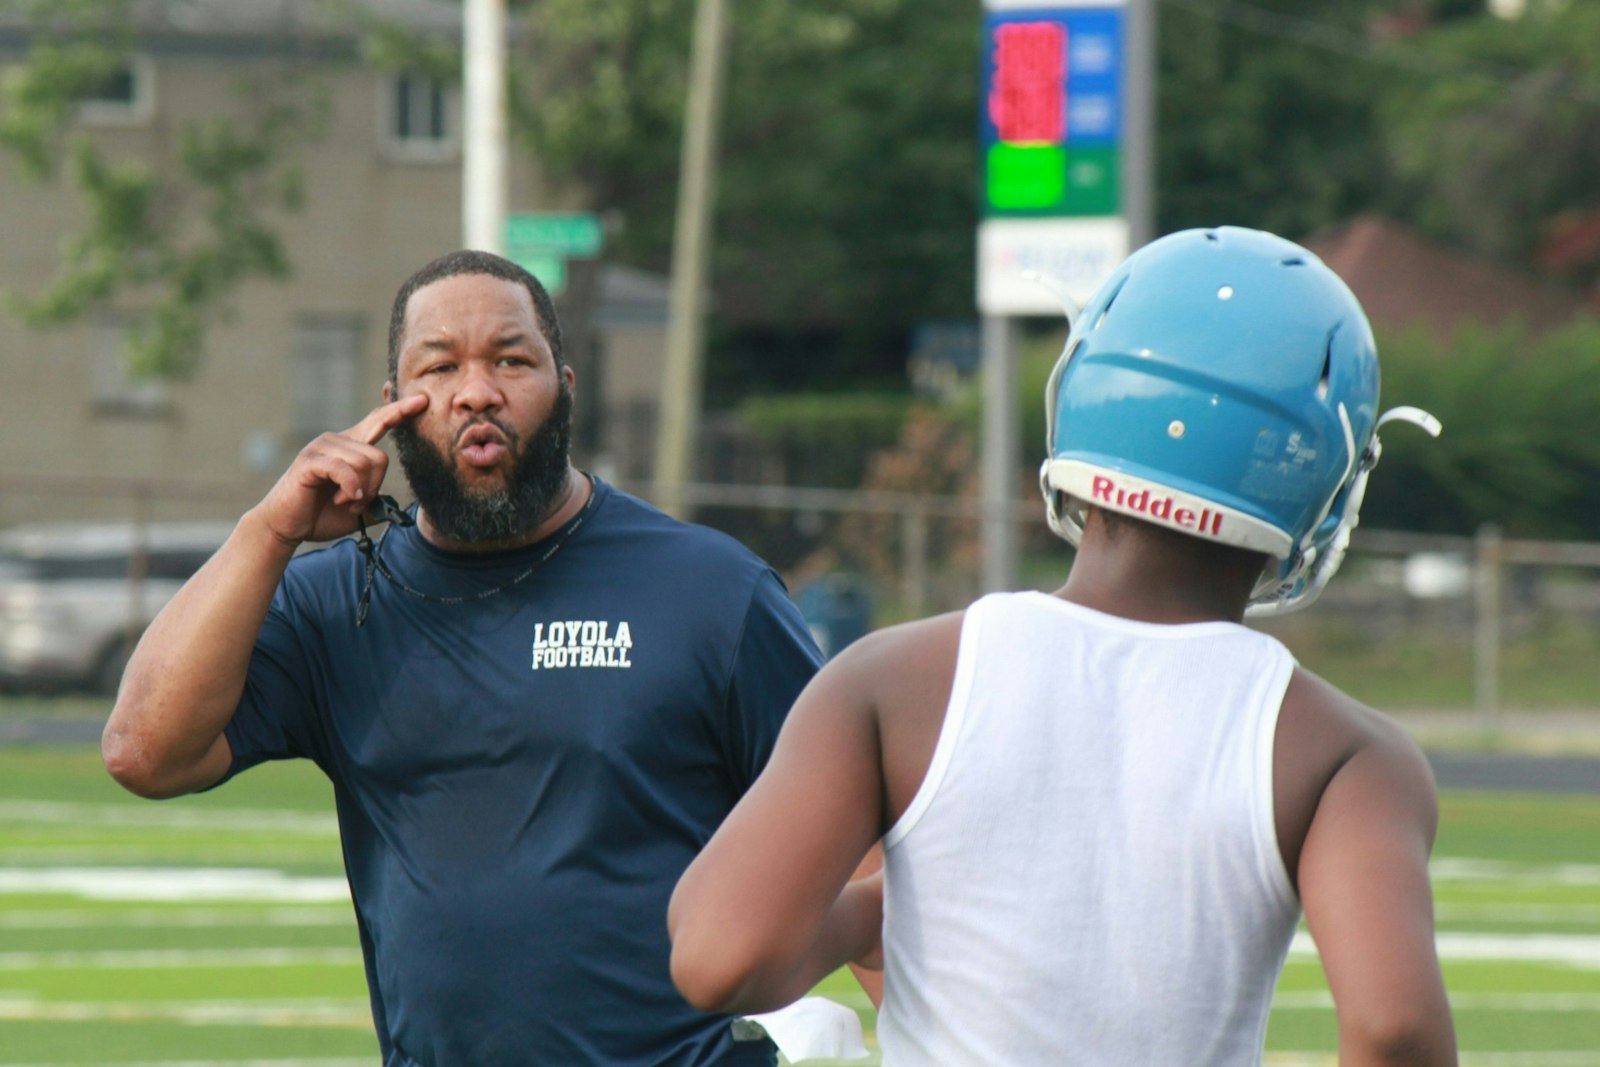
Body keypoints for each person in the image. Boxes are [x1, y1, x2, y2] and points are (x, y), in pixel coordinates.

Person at [669, 227, 1459, 1065]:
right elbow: (1393, 1026)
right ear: (1326, 477)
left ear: (1083, 391)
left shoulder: (890, 678)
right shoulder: (1348, 753)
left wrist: (873, 911)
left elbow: (720, 956)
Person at [102, 249, 826, 1065]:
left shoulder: (711, 589)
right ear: (392, 409)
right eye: (439, 366)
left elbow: (855, 832)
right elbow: (145, 752)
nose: (476, 390)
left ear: (565, 387)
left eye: (512, 360)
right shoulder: (339, 602)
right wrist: (266, 532)